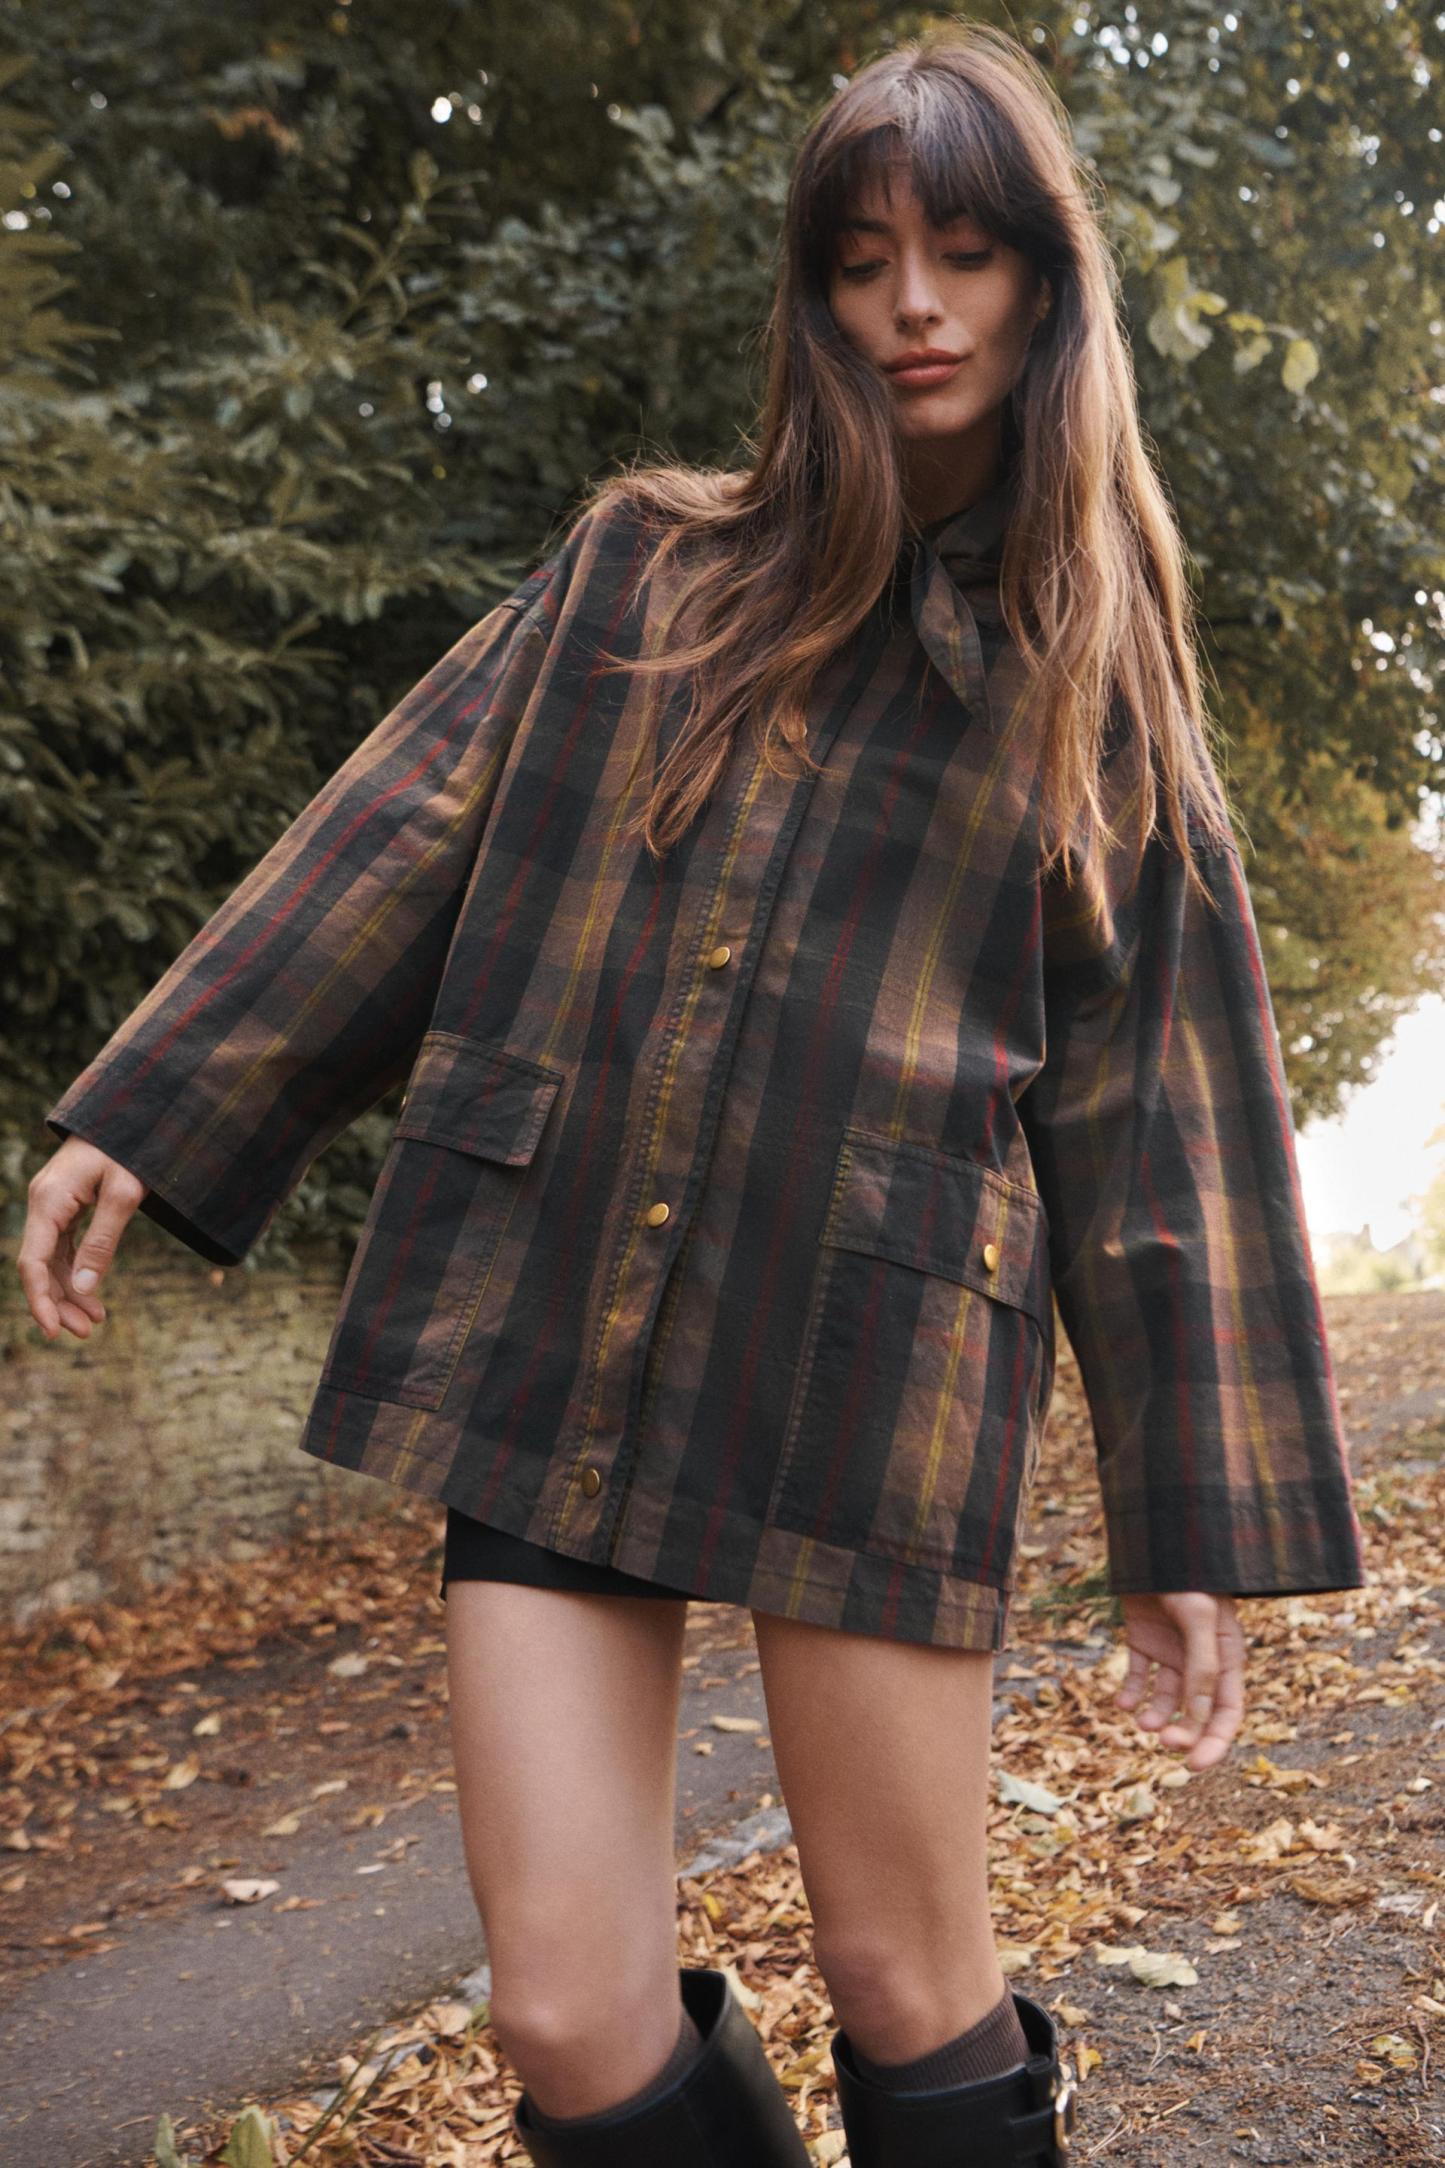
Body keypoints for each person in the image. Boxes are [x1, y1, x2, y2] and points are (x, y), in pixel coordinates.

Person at [18, 27, 1365, 2168]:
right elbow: (413, 829)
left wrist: (1183, 1525)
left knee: (906, 1983)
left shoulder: (1095, 687)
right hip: (563, 1300)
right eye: (861, 259)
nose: (912, 305)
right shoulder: (643, 569)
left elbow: (1161, 1121)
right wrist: (153, 1104)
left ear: (1045, 284)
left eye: (962, 254)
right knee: (564, 2012)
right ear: (810, 293)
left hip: (874, 1345)